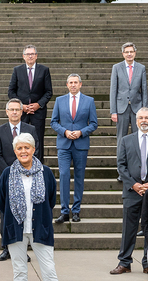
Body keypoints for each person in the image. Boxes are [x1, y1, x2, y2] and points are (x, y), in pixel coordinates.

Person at [0, 133, 67, 281]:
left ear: (34, 150)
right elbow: (1, 201)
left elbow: (51, 200)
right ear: (15, 151)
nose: (23, 151)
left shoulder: (45, 172)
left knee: (49, 272)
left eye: (27, 147)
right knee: (19, 272)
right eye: (19, 148)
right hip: (15, 229)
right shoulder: (8, 173)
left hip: (41, 229)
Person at [112, 108, 148, 275]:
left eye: (147, 118)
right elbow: (121, 166)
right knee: (128, 228)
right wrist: (133, 184)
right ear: (136, 121)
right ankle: (124, 262)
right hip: (132, 191)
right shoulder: (125, 140)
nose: (144, 120)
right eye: (141, 118)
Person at [51, 73, 97, 224]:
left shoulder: (89, 101)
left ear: (80, 84)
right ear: (67, 85)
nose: (73, 85)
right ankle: (64, 211)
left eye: (75, 82)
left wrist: (81, 132)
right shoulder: (59, 100)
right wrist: (64, 131)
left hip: (80, 144)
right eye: (70, 82)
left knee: (79, 177)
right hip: (64, 144)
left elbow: (94, 124)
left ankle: (76, 210)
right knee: (64, 175)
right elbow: (53, 122)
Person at [0, 99, 36, 261]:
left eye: (17, 109)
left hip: (27, 178)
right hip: (6, 178)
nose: (14, 112)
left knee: (23, 214)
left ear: (22, 111)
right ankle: (6, 248)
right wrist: (11, 173)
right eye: (11, 109)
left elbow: (35, 152)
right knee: (5, 214)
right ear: (7, 112)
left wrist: (24, 171)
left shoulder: (30, 129)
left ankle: (21, 248)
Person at [8, 44, 53, 162]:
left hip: (38, 113)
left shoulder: (44, 70)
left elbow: (49, 92)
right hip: (21, 113)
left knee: (38, 142)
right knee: (20, 141)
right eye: (28, 54)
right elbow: (11, 91)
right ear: (23, 56)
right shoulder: (17, 70)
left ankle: (38, 168)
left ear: (36, 56)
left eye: (32, 54)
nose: (30, 56)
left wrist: (38, 104)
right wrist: (21, 106)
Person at [110, 42, 147, 143]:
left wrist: (145, 109)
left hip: (137, 107)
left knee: (139, 136)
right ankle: (121, 159)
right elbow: (113, 90)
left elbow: (144, 90)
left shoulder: (141, 68)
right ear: (123, 54)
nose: (129, 54)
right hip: (121, 108)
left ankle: (138, 158)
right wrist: (113, 111)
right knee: (121, 138)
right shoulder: (116, 68)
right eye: (127, 52)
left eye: (131, 51)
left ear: (135, 53)